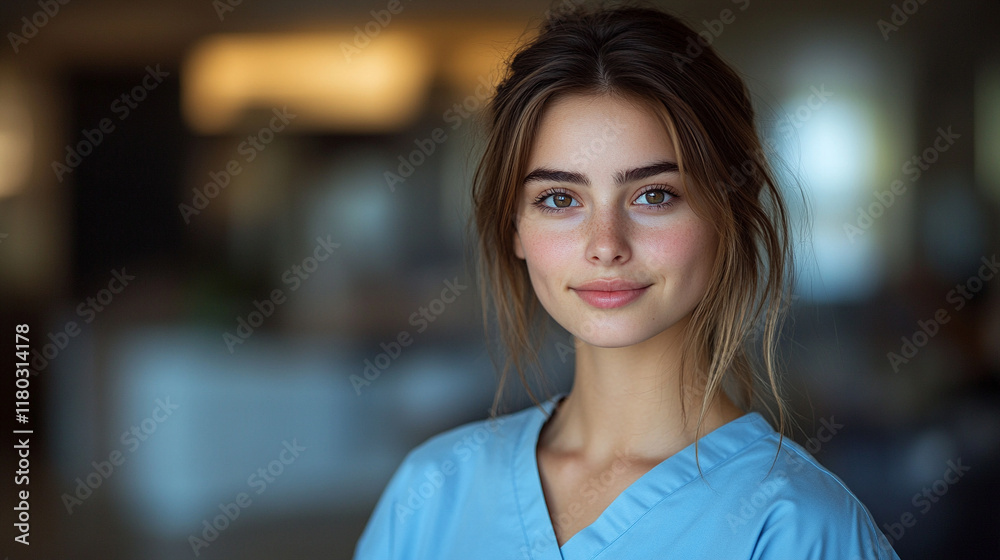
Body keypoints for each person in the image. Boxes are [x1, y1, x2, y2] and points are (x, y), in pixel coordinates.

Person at [354, 4, 901, 559]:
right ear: (513, 227)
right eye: (560, 199)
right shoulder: (434, 491)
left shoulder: (799, 527)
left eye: (654, 195)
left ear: (729, 213)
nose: (606, 243)